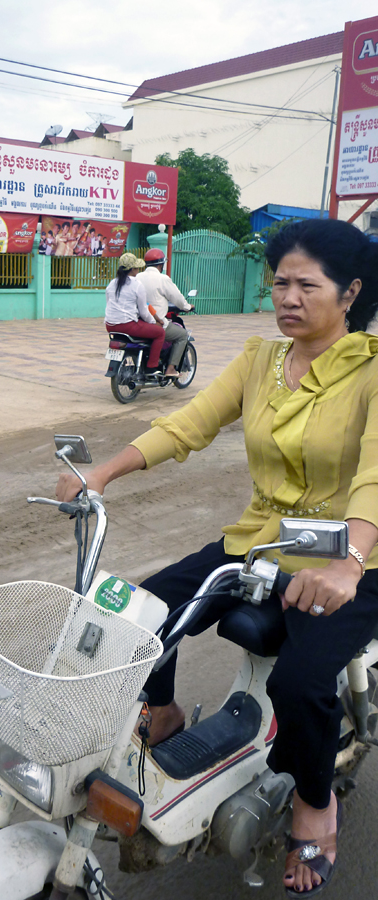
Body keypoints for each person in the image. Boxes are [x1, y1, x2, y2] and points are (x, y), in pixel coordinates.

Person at [57, 218, 378, 897]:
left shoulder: (373, 371)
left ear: (349, 293)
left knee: (300, 682)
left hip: (355, 559)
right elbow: (189, 424)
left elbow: (374, 475)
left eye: (305, 285)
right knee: (138, 616)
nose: (287, 297)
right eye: (278, 283)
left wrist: (347, 563)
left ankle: (314, 805)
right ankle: (165, 713)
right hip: (260, 544)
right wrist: (102, 474)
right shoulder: (260, 360)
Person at [104, 252, 165, 375]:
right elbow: (144, 311)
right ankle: (152, 366)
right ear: (133, 269)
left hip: (110, 325)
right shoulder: (136, 285)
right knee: (160, 333)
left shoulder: (112, 283)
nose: (138, 270)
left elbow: (109, 303)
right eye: (137, 268)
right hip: (127, 325)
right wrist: (155, 323)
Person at [137, 248, 194, 377]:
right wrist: (187, 306)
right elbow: (177, 298)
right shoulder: (163, 279)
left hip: (139, 322)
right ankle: (171, 368)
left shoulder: (138, 277)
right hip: (156, 323)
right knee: (182, 335)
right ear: (160, 264)